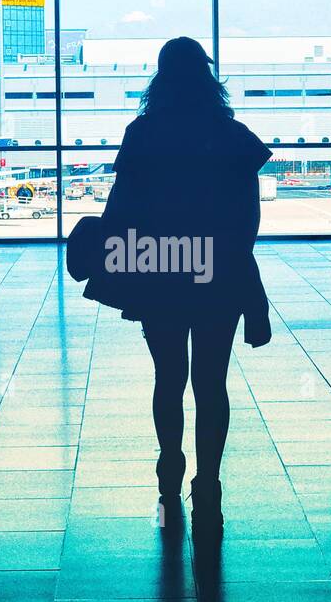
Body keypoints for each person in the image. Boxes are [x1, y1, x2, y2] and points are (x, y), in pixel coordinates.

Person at [84, 37, 272, 534]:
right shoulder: (230, 134)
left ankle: (170, 470)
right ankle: (208, 484)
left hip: (160, 270)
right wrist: (247, 286)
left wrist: (109, 258)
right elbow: (246, 219)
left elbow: (122, 207)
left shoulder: (144, 132)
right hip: (217, 274)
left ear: (160, 78)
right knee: (211, 383)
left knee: (168, 377)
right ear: (207, 78)